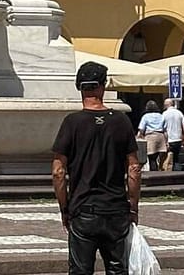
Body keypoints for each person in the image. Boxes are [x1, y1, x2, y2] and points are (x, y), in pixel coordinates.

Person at [52, 61, 140, 275]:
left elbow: (58, 172)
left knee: (80, 271)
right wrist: (133, 206)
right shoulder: (121, 121)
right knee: (118, 270)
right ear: (103, 86)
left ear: (80, 88)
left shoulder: (72, 123)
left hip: (83, 209)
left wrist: (64, 208)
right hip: (116, 209)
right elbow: (134, 169)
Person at [136, 100, 165, 172]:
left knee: (151, 157)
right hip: (161, 136)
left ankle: (153, 173)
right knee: (157, 156)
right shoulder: (161, 115)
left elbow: (141, 128)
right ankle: (158, 170)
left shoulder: (146, 116)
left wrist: (139, 136)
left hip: (151, 136)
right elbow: (165, 127)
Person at [160, 98, 184, 171]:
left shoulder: (164, 114)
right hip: (178, 139)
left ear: (166, 105)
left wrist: (165, 142)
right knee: (176, 158)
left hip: (169, 140)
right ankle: (178, 174)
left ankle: (168, 174)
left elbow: (162, 128)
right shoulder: (179, 113)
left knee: (167, 158)